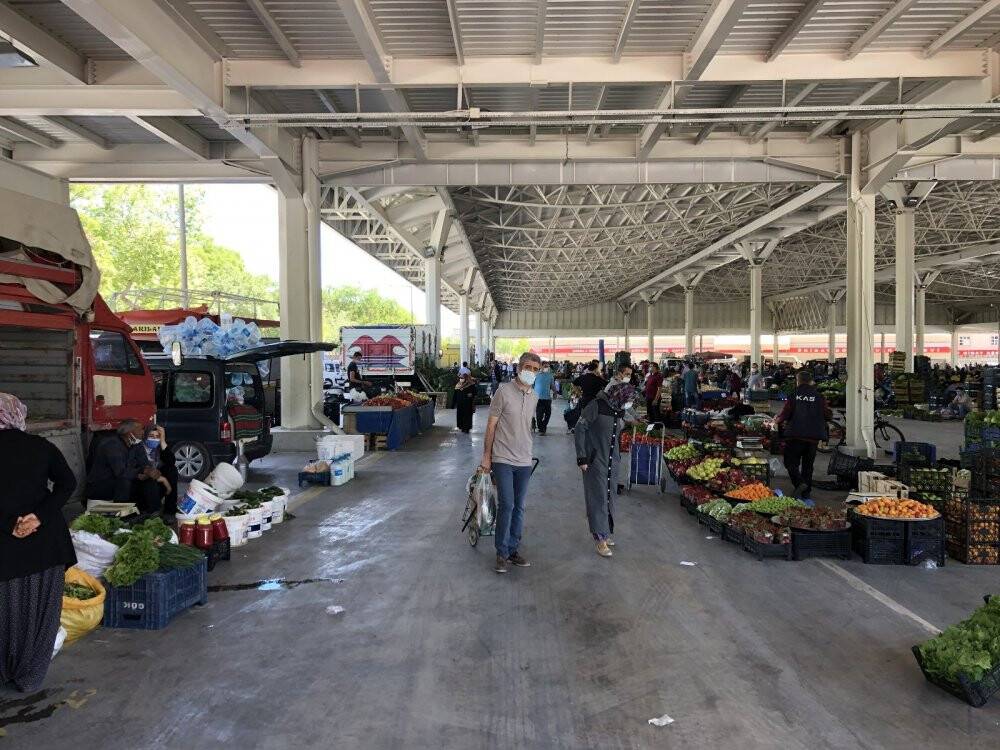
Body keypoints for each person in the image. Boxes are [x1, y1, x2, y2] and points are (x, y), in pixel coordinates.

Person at [0, 393, 77, 693]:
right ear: (18, 415)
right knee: (41, 611)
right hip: (45, 545)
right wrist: (38, 517)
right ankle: (29, 675)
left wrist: (10, 524)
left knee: (7, 610)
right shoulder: (41, 446)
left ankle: (5, 670)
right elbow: (67, 483)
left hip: (6, 548)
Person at [480, 351, 541, 574]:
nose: (531, 372)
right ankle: (501, 552)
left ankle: (513, 549)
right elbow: (491, 425)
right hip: (502, 458)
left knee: (520, 506)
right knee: (507, 504)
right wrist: (487, 456)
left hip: (524, 459)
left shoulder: (534, 396)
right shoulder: (503, 392)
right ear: (519, 368)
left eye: (535, 369)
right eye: (528, 367)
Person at [575, 383, 635, 557]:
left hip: (612, 459)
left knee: (609, 496)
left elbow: (624, 422)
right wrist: (582, 456)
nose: (628, 403)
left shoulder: (618, 408)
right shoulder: (596, 406)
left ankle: (606, 531)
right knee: (598, 497)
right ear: (618, 395)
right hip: (595, 460)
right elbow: (580, 428)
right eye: (628, 399)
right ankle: (599, 539)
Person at [86, 419, 167, 513]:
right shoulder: (111, 445)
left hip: (121, 484)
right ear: (129, 433)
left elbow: (145, 464)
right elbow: (120, 472)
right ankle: (122, 516)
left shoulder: (137, 444)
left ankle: (152, 513)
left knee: (151, 481)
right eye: (140, 430)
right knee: (125, 481)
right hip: (103, 486)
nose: (143, 432)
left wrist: (150, 471)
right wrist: (141, 472)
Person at [773, 370, 831, 499]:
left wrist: (777, 420)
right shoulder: (819, 396)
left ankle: (799, 483)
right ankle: (806, 492)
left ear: (798, 380)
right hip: (813, 438)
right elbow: (827, 414)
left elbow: (786, 413)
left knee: (790, 463)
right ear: (810, 381)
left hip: (796, 435)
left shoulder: (794, 395)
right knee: (808, 466)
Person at [143, 424, 178, 516]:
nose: (154, 439)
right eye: (151, 436)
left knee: (171, 470)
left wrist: (162, 441)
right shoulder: (139, 448)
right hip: (144, 485)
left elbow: (171, 461)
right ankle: (152, 510)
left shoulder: (159, 450)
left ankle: (169, 511)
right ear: (145, 436)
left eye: (157, 437)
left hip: (158, 485)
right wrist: (162, 479)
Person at [532, 362, 558, 435]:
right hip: (538, 398)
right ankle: (541, 428)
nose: (547, 367)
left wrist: (555, 393)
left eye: (548, 366)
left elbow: (552, 385)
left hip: (547, 398)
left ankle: (543, 427)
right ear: (541, 366)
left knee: (548, 414)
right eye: (545, 366)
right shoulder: (536, 374)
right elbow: (531, 385)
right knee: (539, 415)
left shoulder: (550, 375)